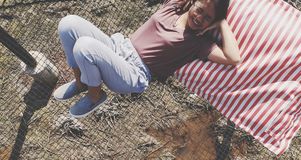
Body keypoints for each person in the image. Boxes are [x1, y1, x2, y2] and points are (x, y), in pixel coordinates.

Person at [54, 0, 241, 118]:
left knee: (84, 46)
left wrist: (222, 22)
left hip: (134, 72)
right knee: (68, 24)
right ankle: (81, 83)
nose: (199, 18)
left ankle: (95, 96)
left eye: (208, 18)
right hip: (118, 46)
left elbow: (234, 58)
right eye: (199, 9)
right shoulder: (173, 7)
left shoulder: (198, 43)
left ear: (213, 23)